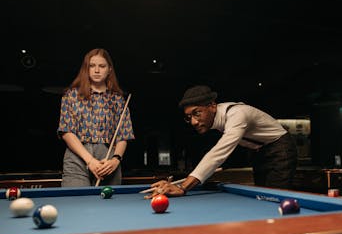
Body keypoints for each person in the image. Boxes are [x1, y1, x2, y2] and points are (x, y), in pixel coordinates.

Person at [145, 85, 298, 197]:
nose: (193, 122)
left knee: (274, 198)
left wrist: (183, 187)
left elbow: (218, 153)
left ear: (212, 106)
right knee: (263, 196)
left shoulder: (237, 114)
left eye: (196, 113)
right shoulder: (218, 119)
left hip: (280, 148)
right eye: (189, 117)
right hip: (259, 152)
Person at [57, 48, 135, 187]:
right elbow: (66, 132)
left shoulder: (118, 99)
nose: (97, 70)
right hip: (77, 157)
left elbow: (123, 135)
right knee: (77, 204)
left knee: (109, 206)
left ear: (109, 69)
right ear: (86, 69)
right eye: (92, 66)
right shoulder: (71, 95)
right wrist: (90, 160)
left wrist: (115, 160)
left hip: (108, 159)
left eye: (102, 66)